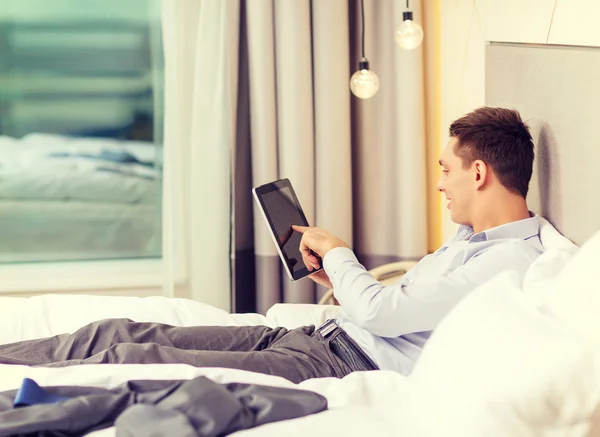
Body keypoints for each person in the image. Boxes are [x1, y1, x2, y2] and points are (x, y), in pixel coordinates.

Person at [0, 107, 544, 384]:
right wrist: (339, 284)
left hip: (336, 362)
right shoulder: (471, 240)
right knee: (117, 331)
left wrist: (338, 252)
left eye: (446, 170)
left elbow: (383, 314)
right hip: (316, 335)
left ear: (478, 173)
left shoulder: (509, 263)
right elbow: (403, 305)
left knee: (135, 358)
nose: (440, 182)